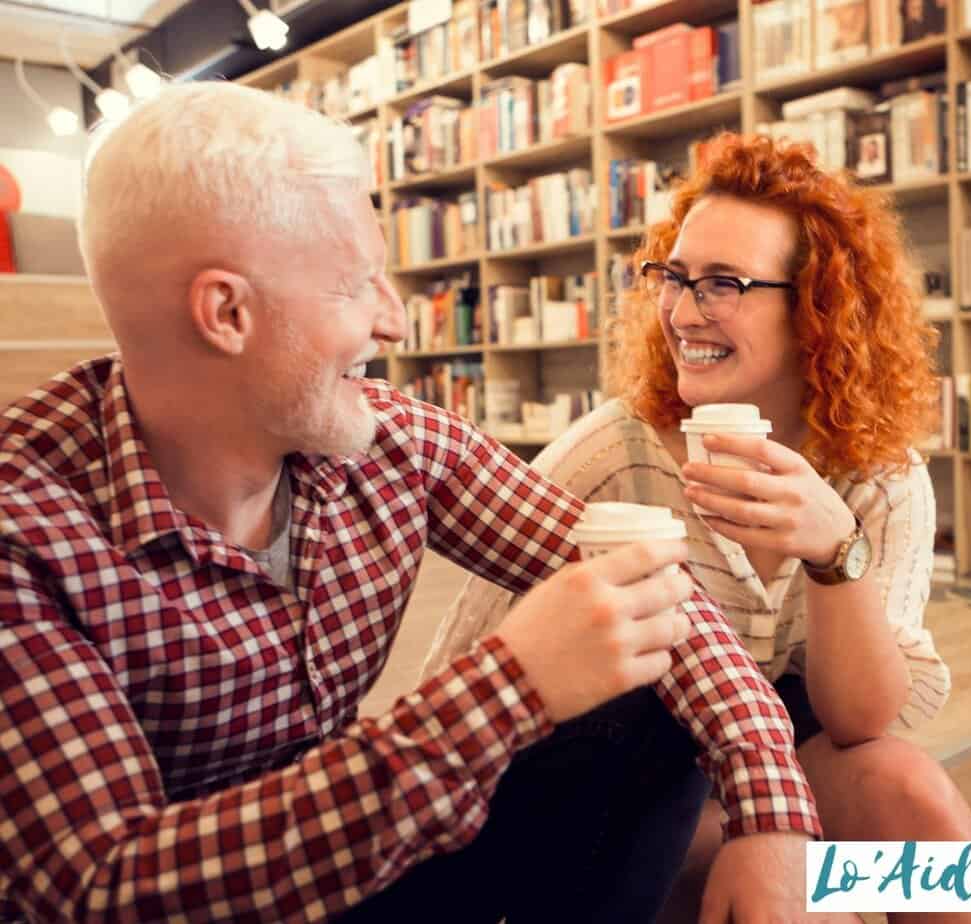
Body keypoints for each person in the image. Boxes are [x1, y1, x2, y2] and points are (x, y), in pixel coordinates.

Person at [0, 85, 827, 924]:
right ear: (226, 312)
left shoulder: (393, 438)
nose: (396, 322)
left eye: (727, 284)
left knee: (684, 701)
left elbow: (825, 688)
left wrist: (772, 817)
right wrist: (507, 685)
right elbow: (96, 888)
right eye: (357, 284)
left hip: (364, 846)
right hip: (213, 894)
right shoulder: (22, 531)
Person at [426, 132, 971, 923]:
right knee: (818, 891)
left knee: (899, 786)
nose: (679, 310)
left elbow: (860, 721)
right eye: (673, 277)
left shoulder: (880, 474)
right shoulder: (610, 459)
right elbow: (465, 692)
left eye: (722, 283)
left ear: (818, 306)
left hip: (779, 779)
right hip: (619, 816)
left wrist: (830, 548)